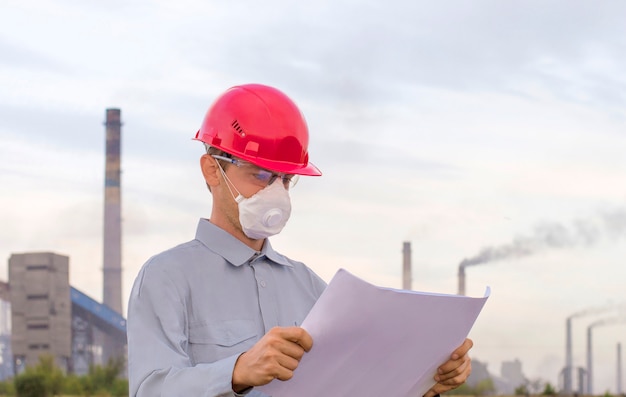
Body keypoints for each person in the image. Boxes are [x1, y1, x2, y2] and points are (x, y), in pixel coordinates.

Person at [127, 83, 473, 397]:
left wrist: (422, 385)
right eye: (260, 175)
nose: (274, 193)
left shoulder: (313, 288)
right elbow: (149, 389)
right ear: (212, 170)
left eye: (285, 180)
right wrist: (236, 371)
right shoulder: (167, 278)